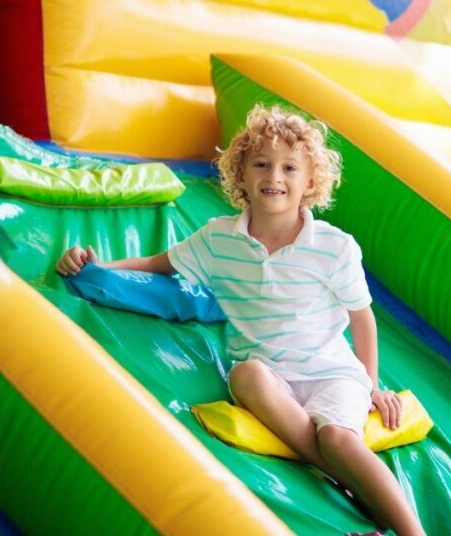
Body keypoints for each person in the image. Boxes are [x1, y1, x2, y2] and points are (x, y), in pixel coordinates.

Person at [56, 104, 425, 536]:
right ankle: (345, 478)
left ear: (310, 182)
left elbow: (362, 319)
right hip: (269, 375)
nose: (274, 177)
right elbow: (160, 263)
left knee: (339, 438)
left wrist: (372, 383)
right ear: (242, 174)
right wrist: (99, 266)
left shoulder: (334, 246)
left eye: (290, 168)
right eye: (262, 165)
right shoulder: (219, 238)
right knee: (245, 374)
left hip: (331, 374)